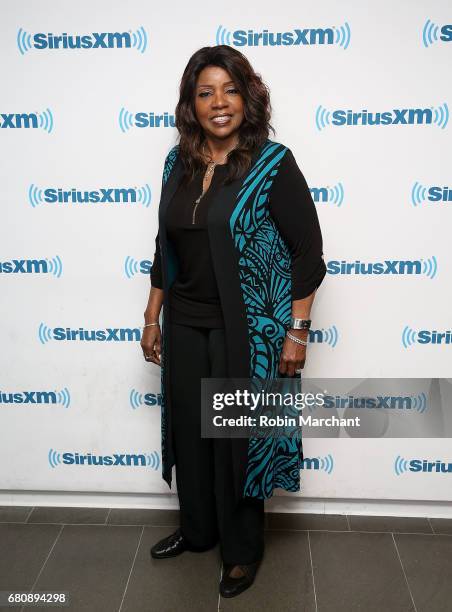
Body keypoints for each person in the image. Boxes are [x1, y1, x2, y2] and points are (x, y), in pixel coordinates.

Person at [140, 44, 326, 599]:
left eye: (230, 90)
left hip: (248, 330)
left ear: (248, 98)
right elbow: (163, 245)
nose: (218, 103)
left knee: (236, 440)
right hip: (186, 323)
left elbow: (307, 252)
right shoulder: (179, 162)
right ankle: (198, 532)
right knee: (191, 434)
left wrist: (298, 331)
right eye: (205, 92)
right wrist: (152, 317)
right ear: (190, 104)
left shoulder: (273, 163)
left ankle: (241, 551)